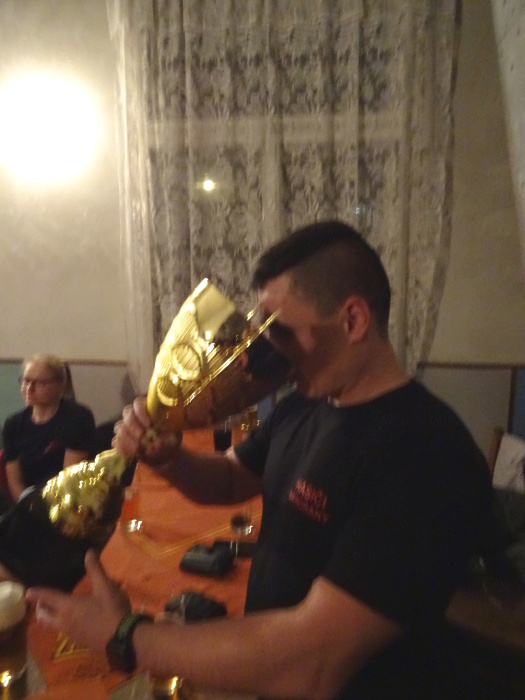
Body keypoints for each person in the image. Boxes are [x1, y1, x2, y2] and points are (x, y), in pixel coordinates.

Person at [27, 222, 509, 698]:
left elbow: (313, 664)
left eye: (280, 331)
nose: (264, 352)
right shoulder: (306, 404)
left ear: (353, 320)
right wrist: (170, 460)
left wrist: (126, 636)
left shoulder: (424, 453)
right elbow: (231, 477)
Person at [2, 354, 96, 501]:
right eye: (26, 381)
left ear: (60, 385)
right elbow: (15, 482)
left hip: (67, 498)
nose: (29, 388)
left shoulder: (77, 417)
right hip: (28, 499)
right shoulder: (13, 425)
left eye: (40, 383)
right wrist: (27, 504)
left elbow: (69, 479)